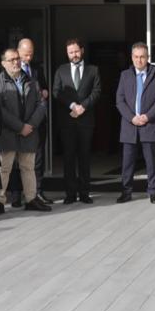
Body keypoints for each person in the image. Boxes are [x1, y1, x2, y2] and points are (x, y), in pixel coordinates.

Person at [0, 48, 49, 216]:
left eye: (17, 59)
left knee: (28, 167)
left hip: (29, 132)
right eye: (11, 59)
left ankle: (31, 199)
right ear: (3, 63)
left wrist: (30, 125)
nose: (16, 62)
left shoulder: (32, 81)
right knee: (4, 169)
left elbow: (41, 104)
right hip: (7, 133)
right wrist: (19, 126)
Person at [115, 42, 155, 204]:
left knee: (151, 161)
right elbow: (120, 100)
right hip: (130, 124)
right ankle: (126, 191)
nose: (139, 60)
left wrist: (147, 116)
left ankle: (153, 192)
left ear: (148, 58)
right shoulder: (125, 75)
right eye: (136, 57)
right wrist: (132, 117)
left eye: (142, 57)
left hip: (149, 124)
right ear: (132, 57)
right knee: (128, 161)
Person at [53, 37, 101, 204]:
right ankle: (70, 194)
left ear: (82, 50)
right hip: (67, 121)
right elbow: (56, 92)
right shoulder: (61, 70)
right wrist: (73, 105)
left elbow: (96, 91)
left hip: (86, 121)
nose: (74, 54)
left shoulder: (93, 70)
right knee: (68, 157)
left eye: (76, 51)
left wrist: (83, 106)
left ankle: (85, 193)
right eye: (70, 52)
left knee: (84, 157)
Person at [14, 37, 53, 205]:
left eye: (30, 54)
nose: (28, 58)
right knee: (16, 159)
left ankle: (38, 192)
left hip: (36, 121)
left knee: (37, 158)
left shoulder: (36, 68)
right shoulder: (13, 68)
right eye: (25, 54)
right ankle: (16, 195)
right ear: (18, 52)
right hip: (18, 122)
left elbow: (44, 87)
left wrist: (45, 91)